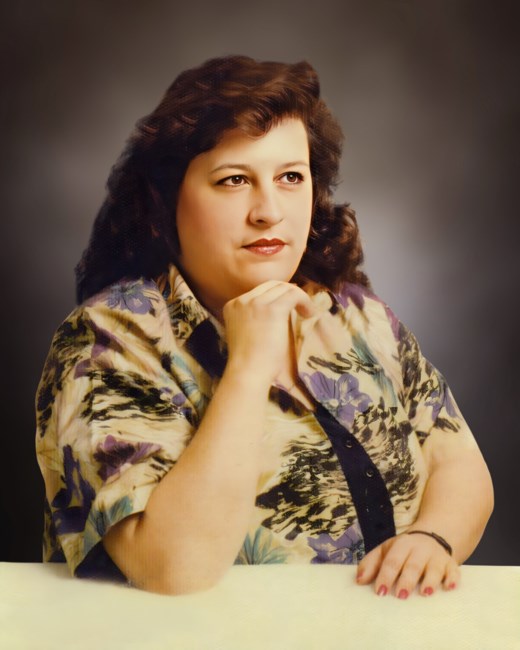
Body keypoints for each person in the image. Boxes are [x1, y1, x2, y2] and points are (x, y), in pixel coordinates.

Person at [35, 55, 493, 597]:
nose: (269, 211)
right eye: (234, 180)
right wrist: (249, 366)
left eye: (291, 177)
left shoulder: (356, 314)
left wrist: (433, 538)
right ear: (166, 198)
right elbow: (170, 567)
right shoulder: (107, 339)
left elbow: (458, 462)